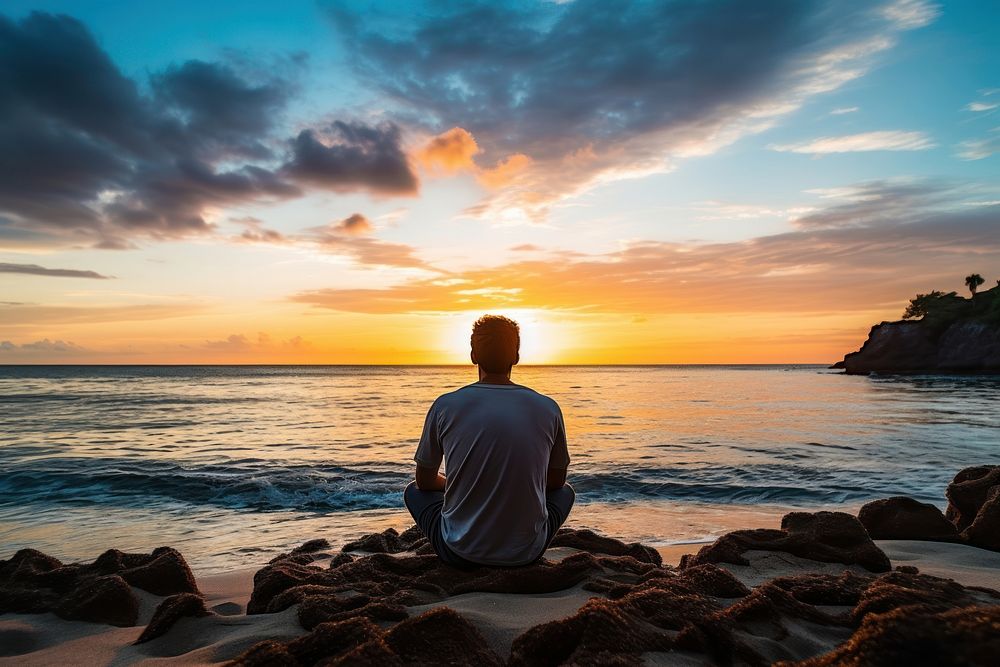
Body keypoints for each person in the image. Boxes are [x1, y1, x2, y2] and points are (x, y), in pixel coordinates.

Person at [403, 314, 575, 567]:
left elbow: (424, 481)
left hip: (459, 553)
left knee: (413, 492)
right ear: (516, 357)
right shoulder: (547, 407)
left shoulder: (445, 405)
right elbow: (556, 482)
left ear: (473, 355)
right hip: (525, 555)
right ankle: (521, 537)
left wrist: (463, 485)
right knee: (565, 492)